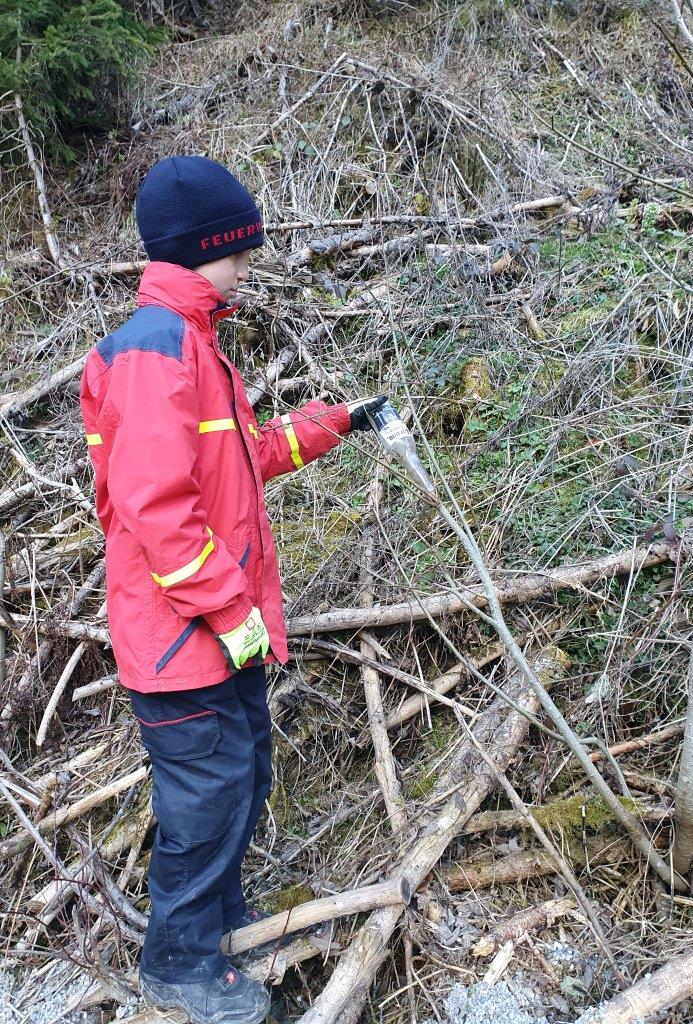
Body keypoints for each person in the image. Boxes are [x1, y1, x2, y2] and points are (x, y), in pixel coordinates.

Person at [80, 155, 385, 1024]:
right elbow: (155, 511)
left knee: (245, 775)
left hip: (219, 634)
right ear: (200, 247)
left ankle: (219, 924)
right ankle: (176, 962)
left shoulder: (195, 345)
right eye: (240, 250)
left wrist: (336, 423)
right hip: (182, 641)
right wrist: (228, 608)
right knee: (206, 797)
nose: (250, 264)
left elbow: (238, 464)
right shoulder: (153, 352)